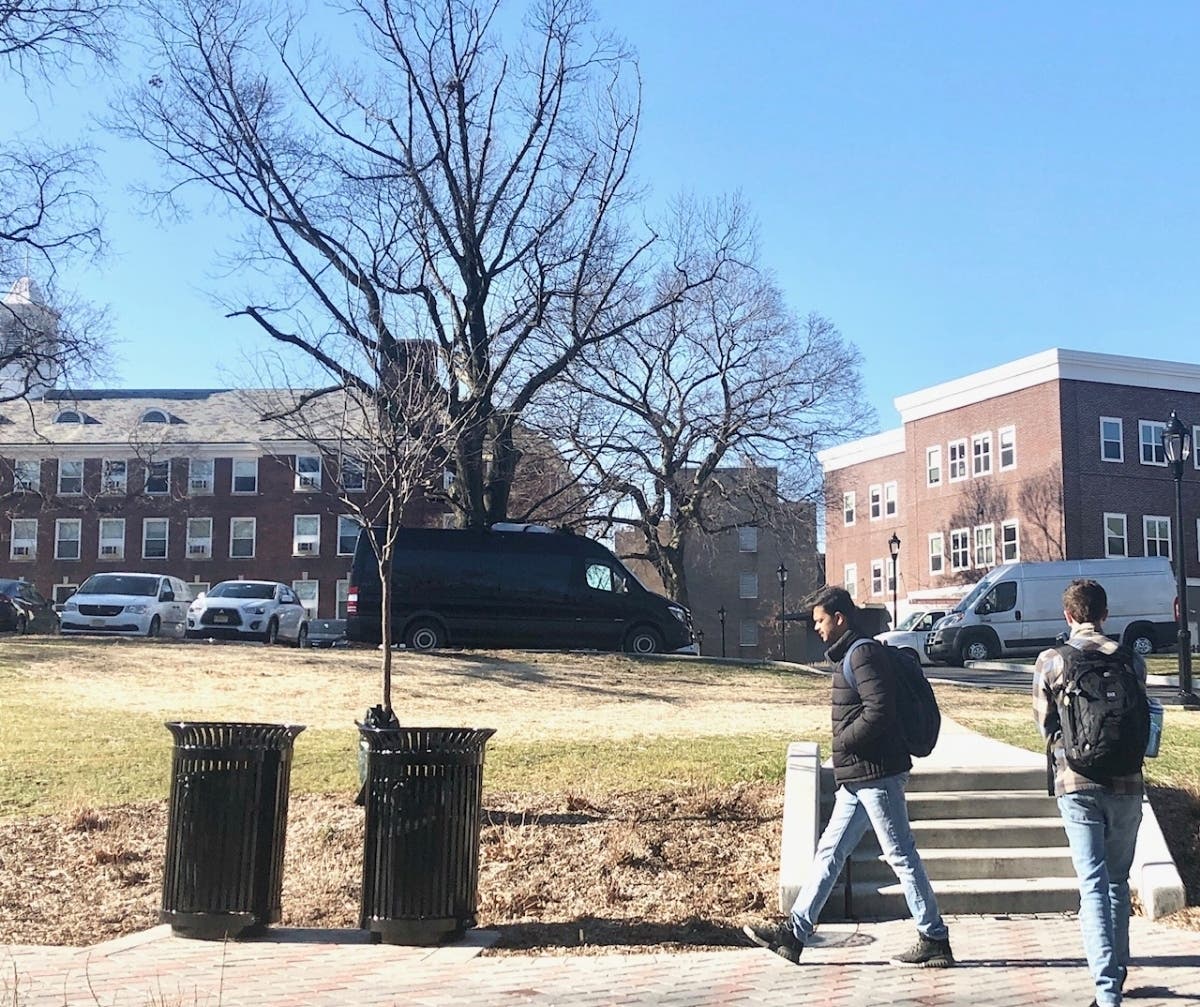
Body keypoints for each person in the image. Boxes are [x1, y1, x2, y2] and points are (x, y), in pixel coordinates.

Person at [743, 585, 953, 967]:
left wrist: (844, 742)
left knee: (900, 854)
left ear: (840, 618)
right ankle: (794, 934)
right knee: (829, 853)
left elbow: (880, 710)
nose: (817, 628)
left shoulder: (863, 654)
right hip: (860, 777)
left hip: (878, 773)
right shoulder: (853, 655)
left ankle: (934, 937)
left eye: (821, 621)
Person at [1034, 579, 1145, 1007]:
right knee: (1117, 881)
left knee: (1093, 883)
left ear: (1068, 616)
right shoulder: (1133, 661)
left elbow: (1045, 724)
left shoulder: (1052, 661)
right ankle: (1116, 972)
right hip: (1127, 781)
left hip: (1076, 781)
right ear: (1104, 613)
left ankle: (1106, 991)